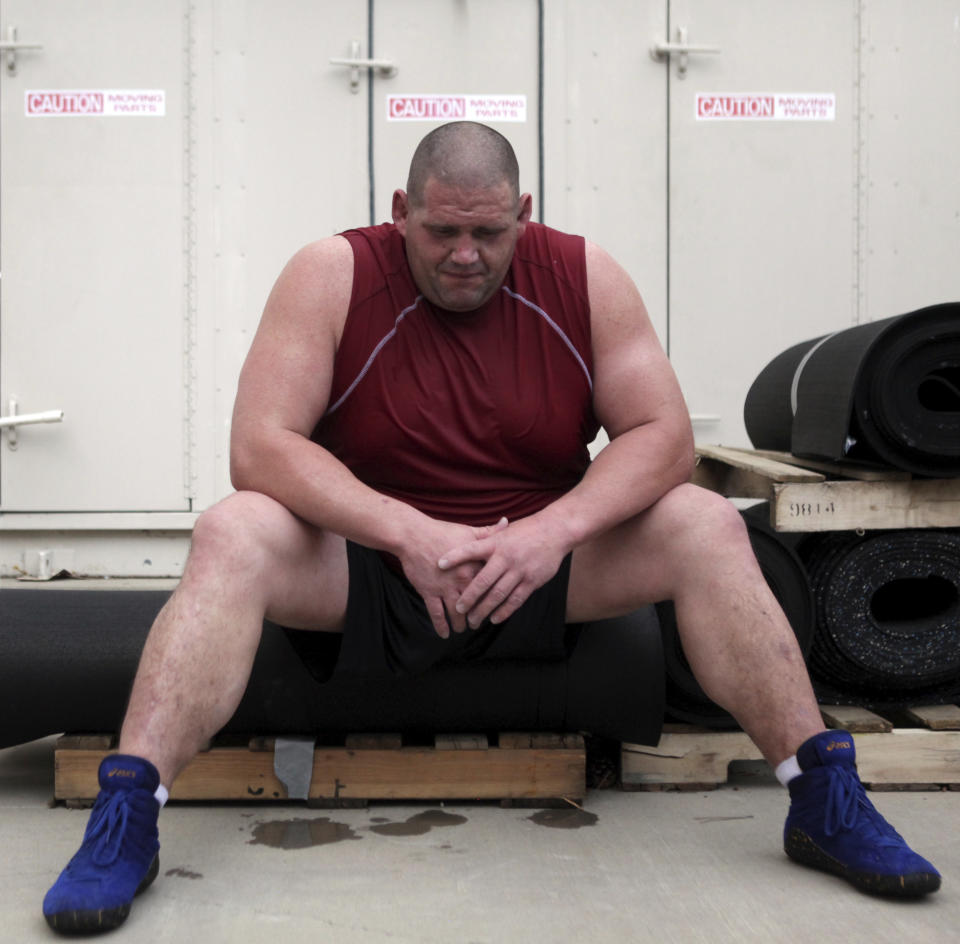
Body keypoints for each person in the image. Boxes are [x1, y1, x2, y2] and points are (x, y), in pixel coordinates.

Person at [43, 122, 939, 933]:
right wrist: (403, 530)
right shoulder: (332, 273)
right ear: (401, 213)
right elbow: (261, 446)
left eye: (490, 231)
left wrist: (552, 530)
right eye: (442, 233)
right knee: (234, 529)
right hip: (375, 564)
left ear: (525, 214)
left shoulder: (584, 276)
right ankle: (129, 814)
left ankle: (822, 799)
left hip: (537, 561)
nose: (466, 255)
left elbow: (662, 436)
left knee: (703, 522)